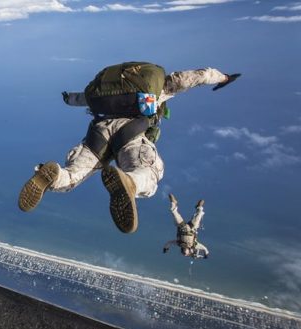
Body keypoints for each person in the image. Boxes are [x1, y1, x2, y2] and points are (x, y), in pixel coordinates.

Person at [18, 62, 239, 233]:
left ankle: (55, 175)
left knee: (73, 177)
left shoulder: (106, 92)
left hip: (98, 131)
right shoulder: (161, 87)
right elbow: (199, 76)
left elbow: (80, 99)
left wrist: (67, 99)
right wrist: (224, 77)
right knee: (150, 173)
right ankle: (131, 182)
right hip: (131, 132)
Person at [162, 193, 209, 258]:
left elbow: (169, 243)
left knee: (173, 212)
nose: (184, 252)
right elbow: (205, 248)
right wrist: (206, 254)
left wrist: (165, 249)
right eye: (185, 253)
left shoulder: (178, 243)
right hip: (192, 227)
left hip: (182, 226)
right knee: (199, 214)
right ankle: (199, 207)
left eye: (183, 253)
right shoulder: (194, 245)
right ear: (189, 251)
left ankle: (173, 203)